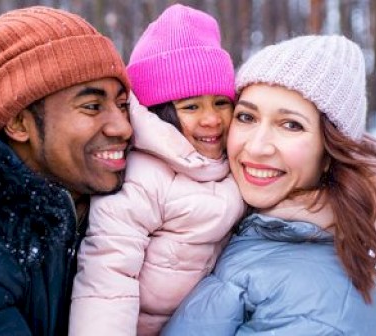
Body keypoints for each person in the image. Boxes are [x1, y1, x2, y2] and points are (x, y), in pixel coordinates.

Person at [162, 35, 376, 335]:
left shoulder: (314, 308)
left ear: (329, 154)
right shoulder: (248, 229)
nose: (258, 146)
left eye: (291, 125)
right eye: (247, 116)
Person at [69, 4, 245, 336]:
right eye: (191, 106)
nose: (212, 119)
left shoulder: (235, 161)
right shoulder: (141, 176)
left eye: (221, 102)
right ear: (160, 112)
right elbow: (108, 277)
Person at [0, 6, 132, 336]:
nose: (122, 127)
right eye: (92, 106)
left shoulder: (125, 204)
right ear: (17, 122)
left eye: (123, 105)